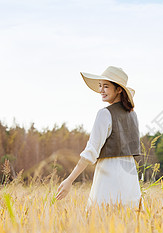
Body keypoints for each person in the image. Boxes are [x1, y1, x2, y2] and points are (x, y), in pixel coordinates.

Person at [55, 66, 142, 209]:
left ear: (119, 89)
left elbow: (91, 151)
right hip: (130, 175)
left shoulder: (105, 114)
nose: (101, 90)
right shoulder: (133, 115)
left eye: (106, 86)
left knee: (101, 220)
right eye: (100, 86)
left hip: (109, 173)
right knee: (130, 220)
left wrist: (69, 180)